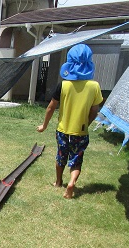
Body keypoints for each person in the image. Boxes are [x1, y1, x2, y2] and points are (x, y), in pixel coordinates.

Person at [37, 44, 103, 199]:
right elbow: (94, 110)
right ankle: (72, 181)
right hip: (80, 131)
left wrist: (44, 125)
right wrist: (87, 123)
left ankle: (59, 182)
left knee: (61, 156)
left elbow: (51, 107)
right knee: (76, 159)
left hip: (63, 130)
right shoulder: (94, 86)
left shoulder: (63, 84)